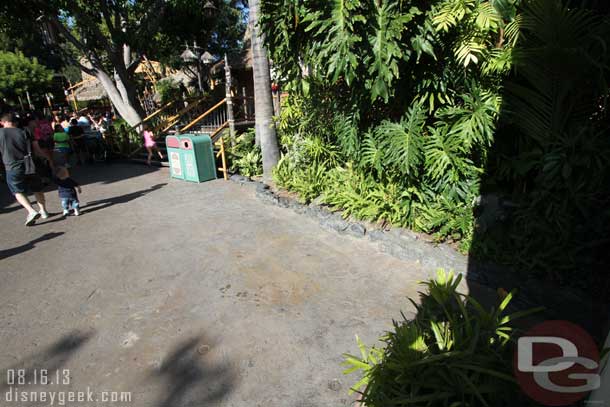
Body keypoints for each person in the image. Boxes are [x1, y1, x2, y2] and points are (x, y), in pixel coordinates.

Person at [0, 112, 49, 226]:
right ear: (15, 122)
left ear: (2, 122)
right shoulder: (25, 131)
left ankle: (31, 211)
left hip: (11, 166)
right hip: (30, 164)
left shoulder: (0, 133)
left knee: (17, 191)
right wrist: (46, 158)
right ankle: (44, 211)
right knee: (37, 188)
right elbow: (36, 148)